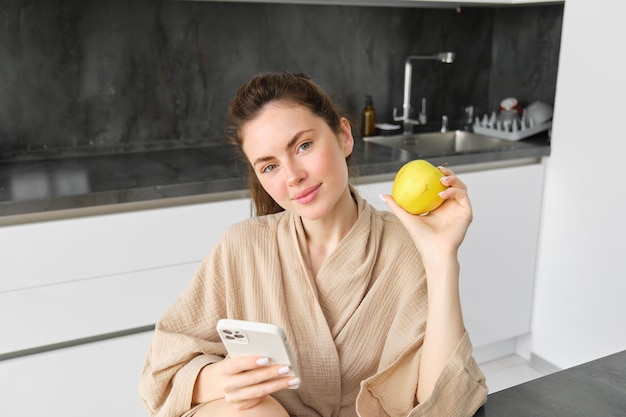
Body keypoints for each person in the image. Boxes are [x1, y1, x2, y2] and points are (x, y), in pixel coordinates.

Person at [138, 71, 488, 417]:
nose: (293, 176)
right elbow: (162, 368)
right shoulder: (242, 246)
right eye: (269, 166)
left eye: (303, 146)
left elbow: (443, 404)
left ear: (344, 136)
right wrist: (217, 379)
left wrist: (441, 258)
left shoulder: (407, 244)